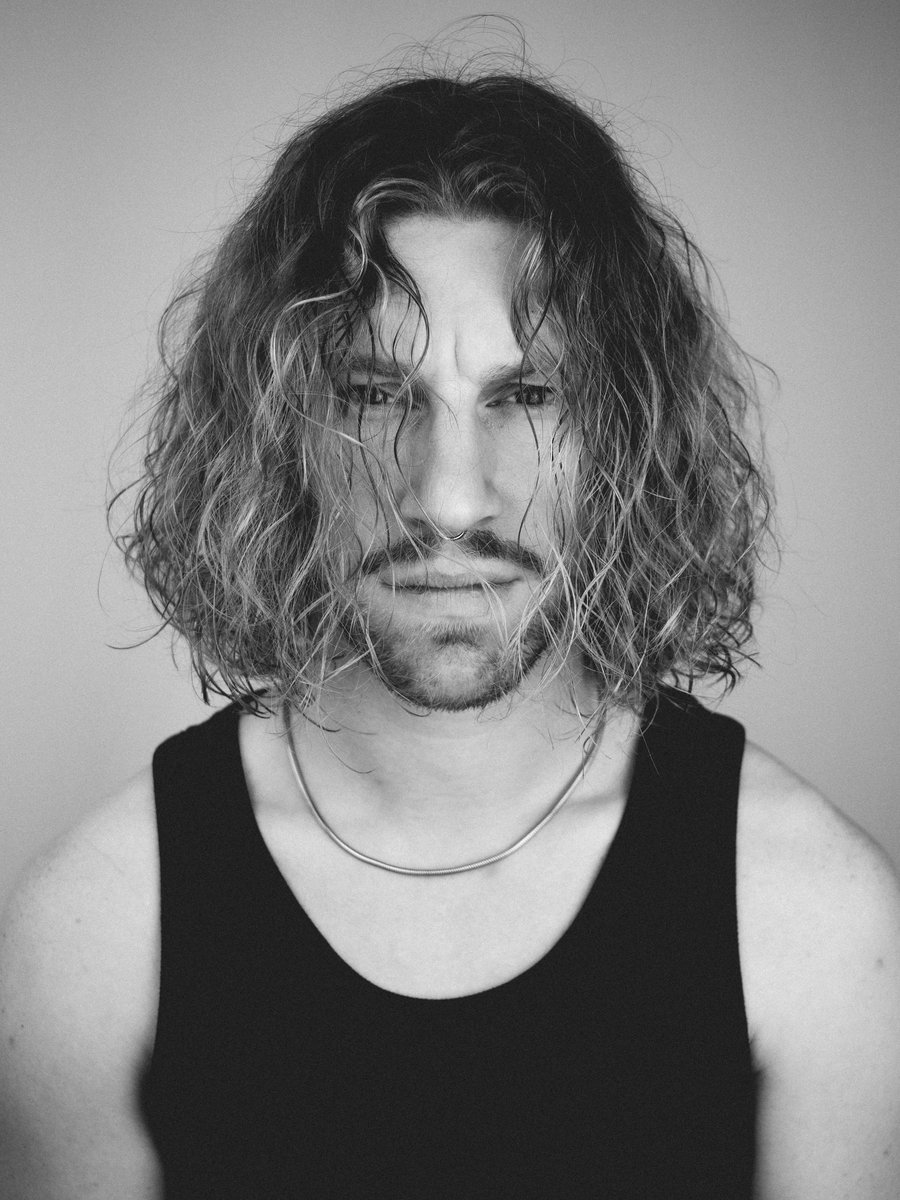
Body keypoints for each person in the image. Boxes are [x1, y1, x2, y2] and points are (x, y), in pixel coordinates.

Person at [2, 63, 899, 1200]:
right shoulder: (94, 929)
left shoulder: (813, 917)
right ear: (275, 436)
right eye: (376, 395)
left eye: (528, 397)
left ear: (627, 435)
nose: (451, 497)